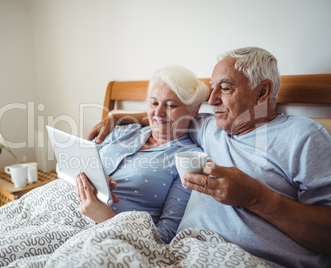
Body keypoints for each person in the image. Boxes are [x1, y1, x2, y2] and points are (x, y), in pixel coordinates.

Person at [87, 47, 331, 267]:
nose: (212, 99)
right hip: (180, 254)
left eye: (224, 88)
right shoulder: (210, 127)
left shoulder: (303, 136)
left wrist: (257, 198)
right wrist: (116, 117)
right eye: (212, 87)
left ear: (262, 92)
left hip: (250, 260)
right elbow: (164, 115)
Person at [76, 64, 210, 243]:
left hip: (109, 235)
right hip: (64, 210)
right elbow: (71, 161)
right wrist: (93, 180)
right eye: (153, 102)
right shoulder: (125, 131)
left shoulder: (188, 159)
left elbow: (166, 235)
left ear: (194, 110)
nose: (158, 112)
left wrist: (105, 218)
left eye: (170, 105)